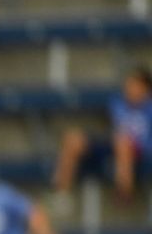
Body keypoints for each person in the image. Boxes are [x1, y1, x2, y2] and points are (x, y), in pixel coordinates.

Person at [54, 66, 152, 200]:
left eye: (134, 86)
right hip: (113, 143)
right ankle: (61, 194)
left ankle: (124, 195)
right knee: (73, 139)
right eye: (128, 85)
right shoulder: (117, 103)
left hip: (139, 149)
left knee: (123, 143)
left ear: (145, 90)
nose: (129, 89)